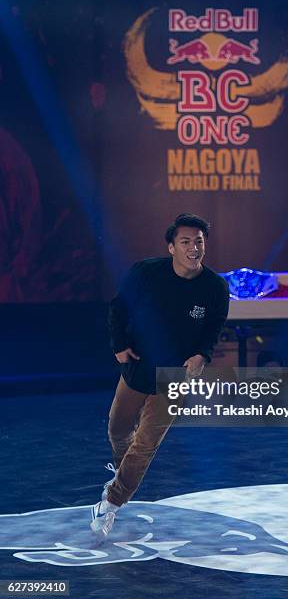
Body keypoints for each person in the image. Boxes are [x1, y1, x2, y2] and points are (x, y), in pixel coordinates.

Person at [90, 213, 229, 540]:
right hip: (139, 365)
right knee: (118, 428)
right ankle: (123, 477)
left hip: (175, 376)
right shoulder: (145, 273)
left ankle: (111, 503)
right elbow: (118, 309)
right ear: (171, 247)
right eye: (186, 242)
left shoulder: (215, 287)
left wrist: (202, 355)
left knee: (146, 444)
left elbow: (213, 330)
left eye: (199, 241)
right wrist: (119, 345)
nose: (194, 248)